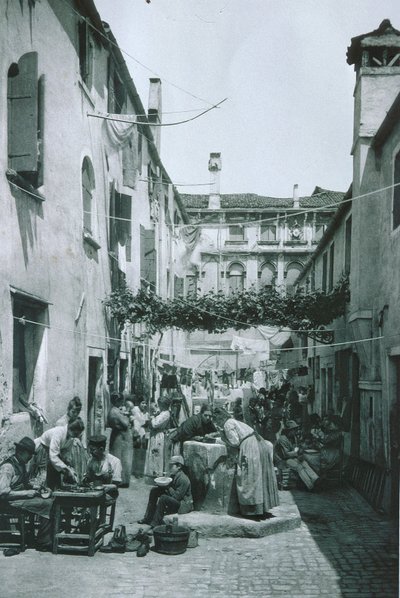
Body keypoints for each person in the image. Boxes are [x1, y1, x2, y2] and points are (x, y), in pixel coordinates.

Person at [212, 407, 279, 519]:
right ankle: (262, 509)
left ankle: (252, 510)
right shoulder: (233, 421)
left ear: (221, 418)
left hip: (250, 447)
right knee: (260, 476)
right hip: (259, 443)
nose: (217, 424)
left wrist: (223, 438)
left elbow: (235, 442)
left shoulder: (227, 424)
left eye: (217, 421)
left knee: (249, 477)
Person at [0, 437, 53, 550]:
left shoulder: (21, 464)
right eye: (29, 454)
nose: (31, 457)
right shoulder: (8, 467)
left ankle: (42, 537)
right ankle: (43, 542)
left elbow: (24, 482)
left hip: (17, 499)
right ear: (21, 451)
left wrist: (38, 488)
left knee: (50, 500)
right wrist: (26, 493)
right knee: (46, 504)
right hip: (7, 503)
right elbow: (2, 492)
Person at [138, 455, 193, 528]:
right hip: (175, 499)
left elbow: (177, 497)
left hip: (183, 504)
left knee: (163, 498)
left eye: (171, 466)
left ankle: (155, 524)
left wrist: (167, 486)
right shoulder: (174, 475)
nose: (169, 468)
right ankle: (148, 517)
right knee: (154, 491)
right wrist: (160, 484)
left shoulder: (183, 479)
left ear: (179, 466)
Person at [31, 418, 86, 489]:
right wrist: (65, 468)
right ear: (70, 429)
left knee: (59, 472)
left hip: (56, 453)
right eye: (75, 434)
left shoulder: (71, 437)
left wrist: (68, 466)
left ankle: (56, 488)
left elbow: (66, 452)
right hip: (44, 449)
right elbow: (53, 456)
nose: (76, 436)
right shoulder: (59, 433)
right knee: (45, 476)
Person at [274, 420, 320, 490]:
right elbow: (286, 454)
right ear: (289, 430)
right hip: (282, 460)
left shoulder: (293, 437)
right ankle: (310, 486)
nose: (296, 432)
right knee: (299, 467)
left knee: (304, 463)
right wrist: (296, 452)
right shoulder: (282, 439)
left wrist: (299, 451)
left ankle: (315, 479)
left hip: (292, 457)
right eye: (294, 430)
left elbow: (296, 448)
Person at [107, 392, 133, 488]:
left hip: (117, 435)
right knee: (123, 457)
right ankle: (121, 480)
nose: (122, 403)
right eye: (121, 401)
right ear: (117, 401)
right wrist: (127, 416)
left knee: (118, 456)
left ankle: (119, 478)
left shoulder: (113, 411)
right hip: (121, 437)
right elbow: (125, 423)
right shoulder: (115, 411)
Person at [144, 397, 171, 479]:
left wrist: (152, 417)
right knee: (153, 453)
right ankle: (152, 472)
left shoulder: (165, 414)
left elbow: (155, 424)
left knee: (157, 454)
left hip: (159, 435)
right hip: (155, 434)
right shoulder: (162, 412)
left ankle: (157, 473)